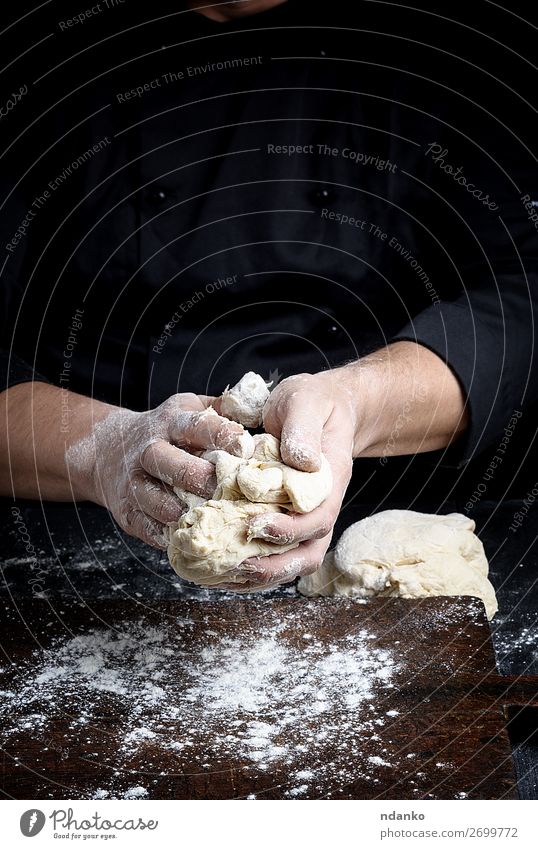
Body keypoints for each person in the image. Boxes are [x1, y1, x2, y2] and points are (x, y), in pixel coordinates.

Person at [1, 0, 536, 589]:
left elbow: (521, 299)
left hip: (381, 507)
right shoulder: (35, 56)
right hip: (61, 532)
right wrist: (104, 450)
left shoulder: (433, 51)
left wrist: (358, 403)